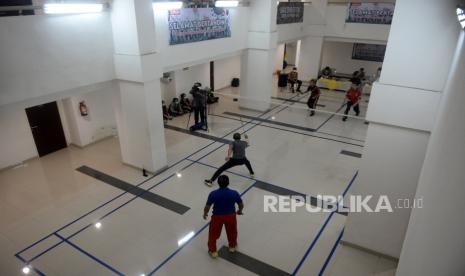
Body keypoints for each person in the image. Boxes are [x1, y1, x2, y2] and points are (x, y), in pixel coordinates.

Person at [203, 175, 244, 258]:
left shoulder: (213, 194)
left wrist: (205, 213)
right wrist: (239, 211)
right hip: (231, 216)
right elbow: (241, 204)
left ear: (218, 183)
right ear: (228, 183)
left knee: (213, 234)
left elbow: (207, 206)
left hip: (217, 217)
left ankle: (213, 251)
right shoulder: (234, 193)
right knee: (232, 232)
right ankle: (232, 247)